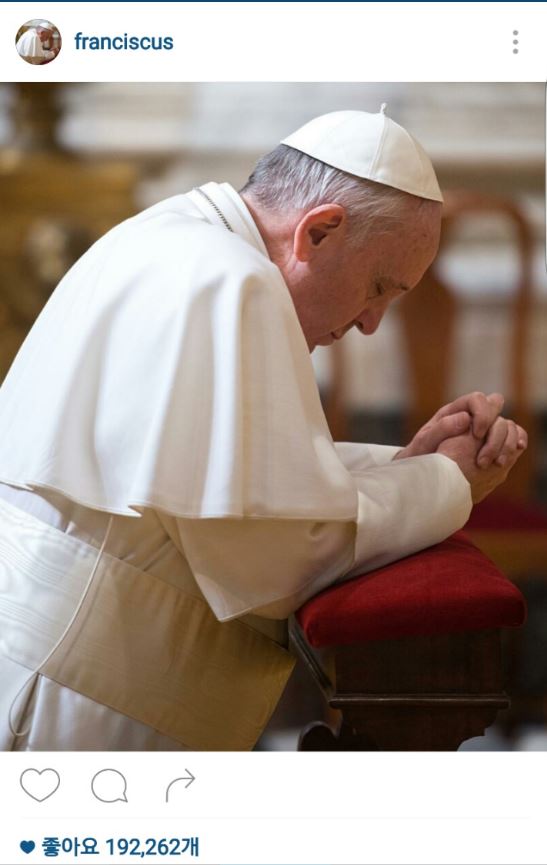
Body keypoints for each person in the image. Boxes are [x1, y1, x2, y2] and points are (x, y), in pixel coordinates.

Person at [0, 108, 527, 751]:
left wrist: (405, 466)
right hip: (85, 706)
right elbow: (278, 555)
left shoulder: (168, 236)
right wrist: (448, 484)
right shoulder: (234, 283)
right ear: (321, 231)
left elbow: (222, 470)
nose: (370, 324)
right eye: (377, 288)